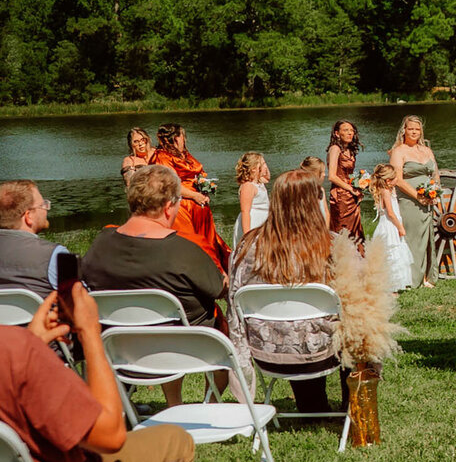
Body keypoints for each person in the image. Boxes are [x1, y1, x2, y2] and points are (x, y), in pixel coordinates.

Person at [0, 287, 194, 462]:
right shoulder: (13, 351)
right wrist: (91, 334)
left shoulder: (15, 349)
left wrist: (30, 343)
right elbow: (110, 436)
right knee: (176, 444)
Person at [82, 165, 227, 406]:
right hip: (185, 348)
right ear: (169, 206)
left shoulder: (101, 244)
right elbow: (218, 289)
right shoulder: (185, 249)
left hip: (119, 347)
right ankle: (209, 404)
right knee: (218, 321)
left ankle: (172, 404)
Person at [226, 170, 338, 412]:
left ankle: (313, 407)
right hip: (324, 353)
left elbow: (234, 308)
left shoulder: (247, 248)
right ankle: (353, 409)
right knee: (354, 322)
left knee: (293, 321)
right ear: (313, 201)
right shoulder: (333, 246)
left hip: (266, 353)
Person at [149, 123, 230, 272]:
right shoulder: (162, 156)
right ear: (175, 138)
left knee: (208, 243)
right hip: (181, 207)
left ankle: (214, 275)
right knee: (190, 244)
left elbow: (198, 172)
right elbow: (169, 184)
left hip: (199, 205)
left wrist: (204, 187)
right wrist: (195, 195)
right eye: (182, 135)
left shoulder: (184, 154)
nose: (185, 139)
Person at [387, 115, 440, 288]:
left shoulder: (426, 150)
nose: (414, 132)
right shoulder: (399, 151)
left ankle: (426, 276)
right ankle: (410, 279)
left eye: (417, 129)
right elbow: (398, 180)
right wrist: (418, 197)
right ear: (404, 130)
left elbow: (435, 173)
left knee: (427, 238)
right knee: (413, 238)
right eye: (411, 129)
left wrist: (435, 192)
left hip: (428, 199)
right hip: (409, 200)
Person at [0, 179, 68, 298]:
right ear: (28, 216)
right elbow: (80, 302)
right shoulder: (55, 255)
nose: (46, 209)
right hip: (42, 316)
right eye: (43, 205)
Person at [368, 163, 414, 292]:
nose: (397, 181)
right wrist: (400, 227)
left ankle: (399, 283)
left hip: (392, 224)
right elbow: (391, 213)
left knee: (398, 254)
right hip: (389, 225)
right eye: (394, 179)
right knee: (391, 253)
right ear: (388, 180)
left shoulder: (389, 190)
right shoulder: (385, 192)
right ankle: (390, 285)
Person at [326, 120, 364, 245]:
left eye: (351, 130)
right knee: (342, 229)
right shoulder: (335, 149)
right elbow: (332, 176)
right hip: (341, 195)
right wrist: (351, 189)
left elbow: (349, 175)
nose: (349, 133)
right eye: (345, 130)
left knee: (355, 230)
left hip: (350, 194)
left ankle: (358, 260)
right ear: (337, 133)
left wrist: (359, 185)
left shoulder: (350, 150)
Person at [233, 151, 271, 249]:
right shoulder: (248, 186)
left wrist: (264, 167)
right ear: (254, 169)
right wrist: (247, 235)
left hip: (263, 221)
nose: (266, 166)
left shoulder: (259, 182)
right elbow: (245, 211)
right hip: (253, 222)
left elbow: (268, 177)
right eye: (263, 164)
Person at [299, 156, 330, 227]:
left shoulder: (321, 190)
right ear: (313, 174)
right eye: (322, 172)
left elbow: (326, 212)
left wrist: (326, 230)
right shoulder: (302, 193)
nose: (324, 175)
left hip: (323, 229)